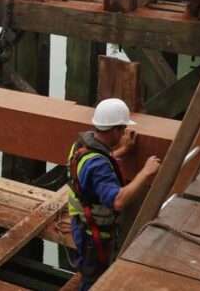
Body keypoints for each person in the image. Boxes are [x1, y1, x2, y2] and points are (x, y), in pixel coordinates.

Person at [67, 98, 161, 289]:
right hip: (93, 233)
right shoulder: (98, 165)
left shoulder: (81, 145)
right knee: (94, 280)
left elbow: (94, 167)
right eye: (122, 127)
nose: (124, 130)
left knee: (91, 273)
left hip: (81, 222)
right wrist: (146, 172)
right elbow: (118, 201)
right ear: (115, 130)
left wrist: (122, 150)